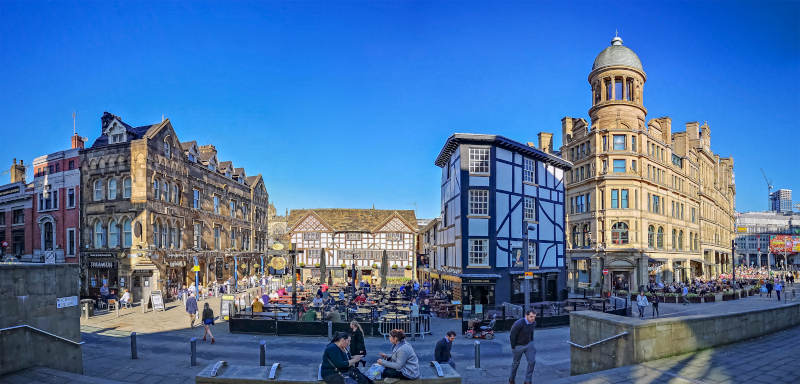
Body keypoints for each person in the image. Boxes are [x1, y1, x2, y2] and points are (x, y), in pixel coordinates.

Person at [509, 310, 536, 384]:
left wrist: (531, 341)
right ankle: (511, 379)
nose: (533, 318)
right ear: (526, 316)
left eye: (534, 317)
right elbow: (512, 335)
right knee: (516, 364)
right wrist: (513, 347)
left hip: (529, 345)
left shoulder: (533, 322)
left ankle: (527, 381)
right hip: (518, 346)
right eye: (531, 316)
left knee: (532, 362)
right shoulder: (518, 323)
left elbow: (531, 332)